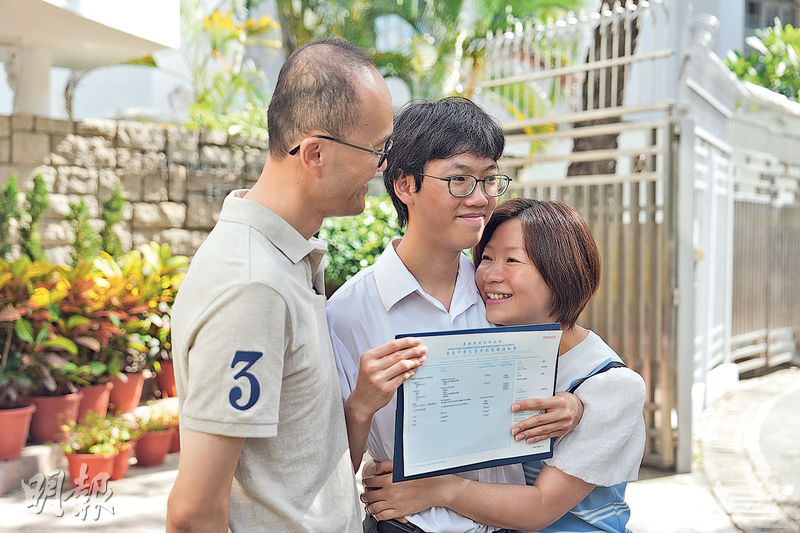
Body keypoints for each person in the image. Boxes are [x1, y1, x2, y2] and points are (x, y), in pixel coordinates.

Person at [166, 39, 426, 533]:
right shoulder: (253, 286)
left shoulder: (285, 261)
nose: (384, 167)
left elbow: (294, 478)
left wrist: (358, 408)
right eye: (377, 150)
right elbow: (193, 512)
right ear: (314, 154)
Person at [327, 98, 585, 533]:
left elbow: (569, 366)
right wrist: (360, 407)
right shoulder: (348, 313)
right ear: (405, 184)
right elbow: (328, 477)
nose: (482, 198)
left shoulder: (501, 293)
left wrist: (573, 406)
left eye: (489, 180)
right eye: (460, 180)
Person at [361, 198, 647, 533]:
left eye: (512, 260)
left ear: (562, 272)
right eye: (486, 258)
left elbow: (539, 509)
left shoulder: (611, 386)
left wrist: (440, 489)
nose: (490, 275)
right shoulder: (489, 348)